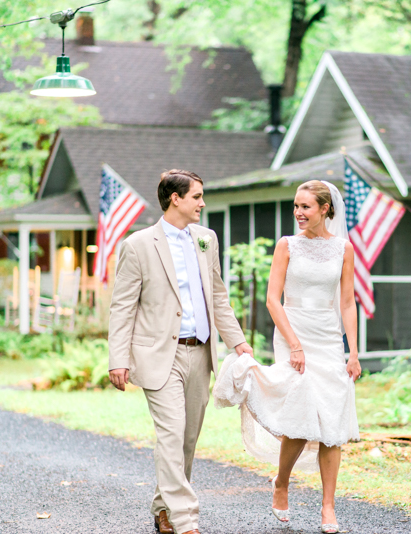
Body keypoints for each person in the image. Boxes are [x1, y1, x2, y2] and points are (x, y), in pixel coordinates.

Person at [108, 169, 252, 534]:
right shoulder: (138, 245)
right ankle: (187, 520)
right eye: (197, 197)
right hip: (160, 356)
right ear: (176, 199)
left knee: (187, 440)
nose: (202, 203)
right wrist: (118, 359)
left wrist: (238, 342)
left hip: (200, 353)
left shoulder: (206, 239)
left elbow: (218, 295)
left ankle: (163, 509)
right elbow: (122, 307)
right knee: (171, 435)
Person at [213, 180, 361, 534]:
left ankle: (328, 506)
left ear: (325, 209)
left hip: (327, 337)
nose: (298, 212)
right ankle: (282, 482)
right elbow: (272, 300)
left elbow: (346, 303)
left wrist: (353, 351)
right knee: (299, 411)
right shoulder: (287, 245)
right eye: (296, 205)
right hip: (292, 330)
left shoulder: (343, 249)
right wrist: (294, 344)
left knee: (331, 424)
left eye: (306, 206)